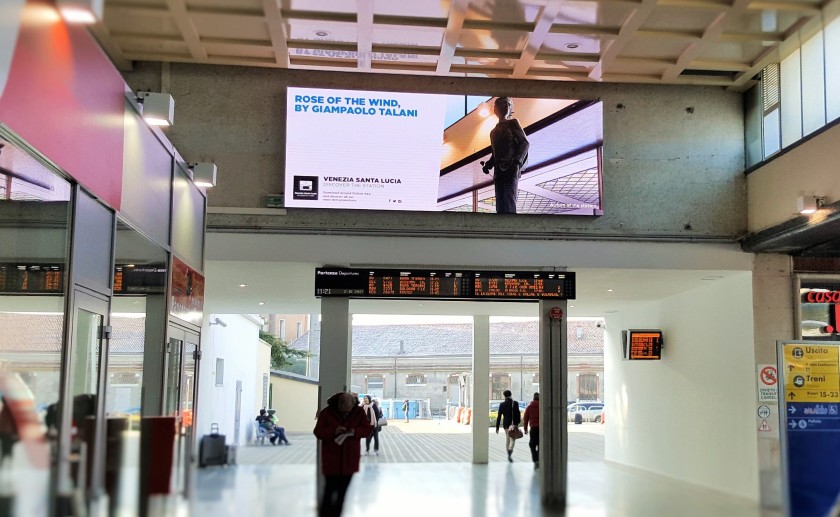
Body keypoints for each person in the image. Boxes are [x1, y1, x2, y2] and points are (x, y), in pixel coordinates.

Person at [314, 392, 372, 517]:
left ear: (353, 404)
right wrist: (333, 431)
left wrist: (354, 431)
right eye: (343, 411)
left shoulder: (359, 412)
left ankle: (336, 514)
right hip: (331, 459)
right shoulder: (327, 413)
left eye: (348, 411)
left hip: (350, 459)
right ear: (338, 405)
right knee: (329, 491)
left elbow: (367, 429)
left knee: (342, 493)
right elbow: (318, 432)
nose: (346, 413)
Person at [481, 96, 530, 214]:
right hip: (499, 172)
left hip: (511, 169)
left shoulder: (513, 123)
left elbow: (524, 143)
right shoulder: (493, 131)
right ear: (495, 109)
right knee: (500, 205)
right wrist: (489, 165)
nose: (505, 107)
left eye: (507, 104)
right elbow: (495, 153)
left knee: (509, 202)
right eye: (501, 105)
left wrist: (516, 163)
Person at [495, 389, 521, 462]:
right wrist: (518, 422)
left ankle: (508, 453)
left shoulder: (502, 404)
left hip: (506, 424)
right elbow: (518, 413)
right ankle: (510, 450)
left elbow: (499, 416)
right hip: (514, 424)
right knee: (512, 438)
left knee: (507, 438)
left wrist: (497, 427)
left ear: (504, 396)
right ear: (511, 395)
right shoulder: (515, 403)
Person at [523, 392, 540, 469]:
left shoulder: (529, 407)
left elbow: (525, 419)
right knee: (541, 444)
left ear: (533, 398)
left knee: (532, 445)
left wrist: (525, 429)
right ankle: (539, 458)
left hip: (533, 428)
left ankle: (535, 459)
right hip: (541, 429)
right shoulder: (542, 406)